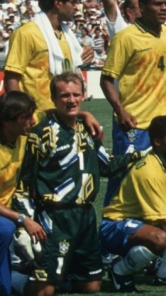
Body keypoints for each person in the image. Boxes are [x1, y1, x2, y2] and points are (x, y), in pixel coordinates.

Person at [12, 73, 143, 296]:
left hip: (85, 217)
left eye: (75, 95)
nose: (71, 100)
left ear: (83, 96)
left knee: (91, 286)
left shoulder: (88, 130)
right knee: (44, 290)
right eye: (64, 96)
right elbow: (24, 185)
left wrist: (139, 155)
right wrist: (26, 222)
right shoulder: (41, 134)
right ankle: (13, 279)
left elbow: (106, 165)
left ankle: (61, 275)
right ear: (53, 99)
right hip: (55, 217)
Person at [101, 116, 166, 291]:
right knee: (160, 238)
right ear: (157, 142)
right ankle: (119, 271)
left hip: (137, 219)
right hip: (114, 226)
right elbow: (165, 222)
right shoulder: (150, 172)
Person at [100, 0, 166, 156]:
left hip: (162, 123)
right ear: (142, 7)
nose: (164, 8)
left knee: (162, 170)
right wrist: (120, 111)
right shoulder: (125, 38)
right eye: (157, 4)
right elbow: (106, 80)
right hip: (134, 123)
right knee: (129, 171)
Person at [4, 0, 94, 112]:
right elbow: (11, 78)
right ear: (58, 3)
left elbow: (72, 69)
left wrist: (86, 55)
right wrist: (20, 115)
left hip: (62, 115)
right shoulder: (26, 33)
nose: (76, 7)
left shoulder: (68, 36)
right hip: (35, 116)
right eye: (72, 2)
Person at [0, 92, 37, 296]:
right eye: (26, 117)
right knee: (5, 228)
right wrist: (22, 219)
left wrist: (85, 115)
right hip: (4, 219)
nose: (33, 121)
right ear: (7, 121)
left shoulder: (20, 133)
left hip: (7, 211)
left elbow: (51, 113)